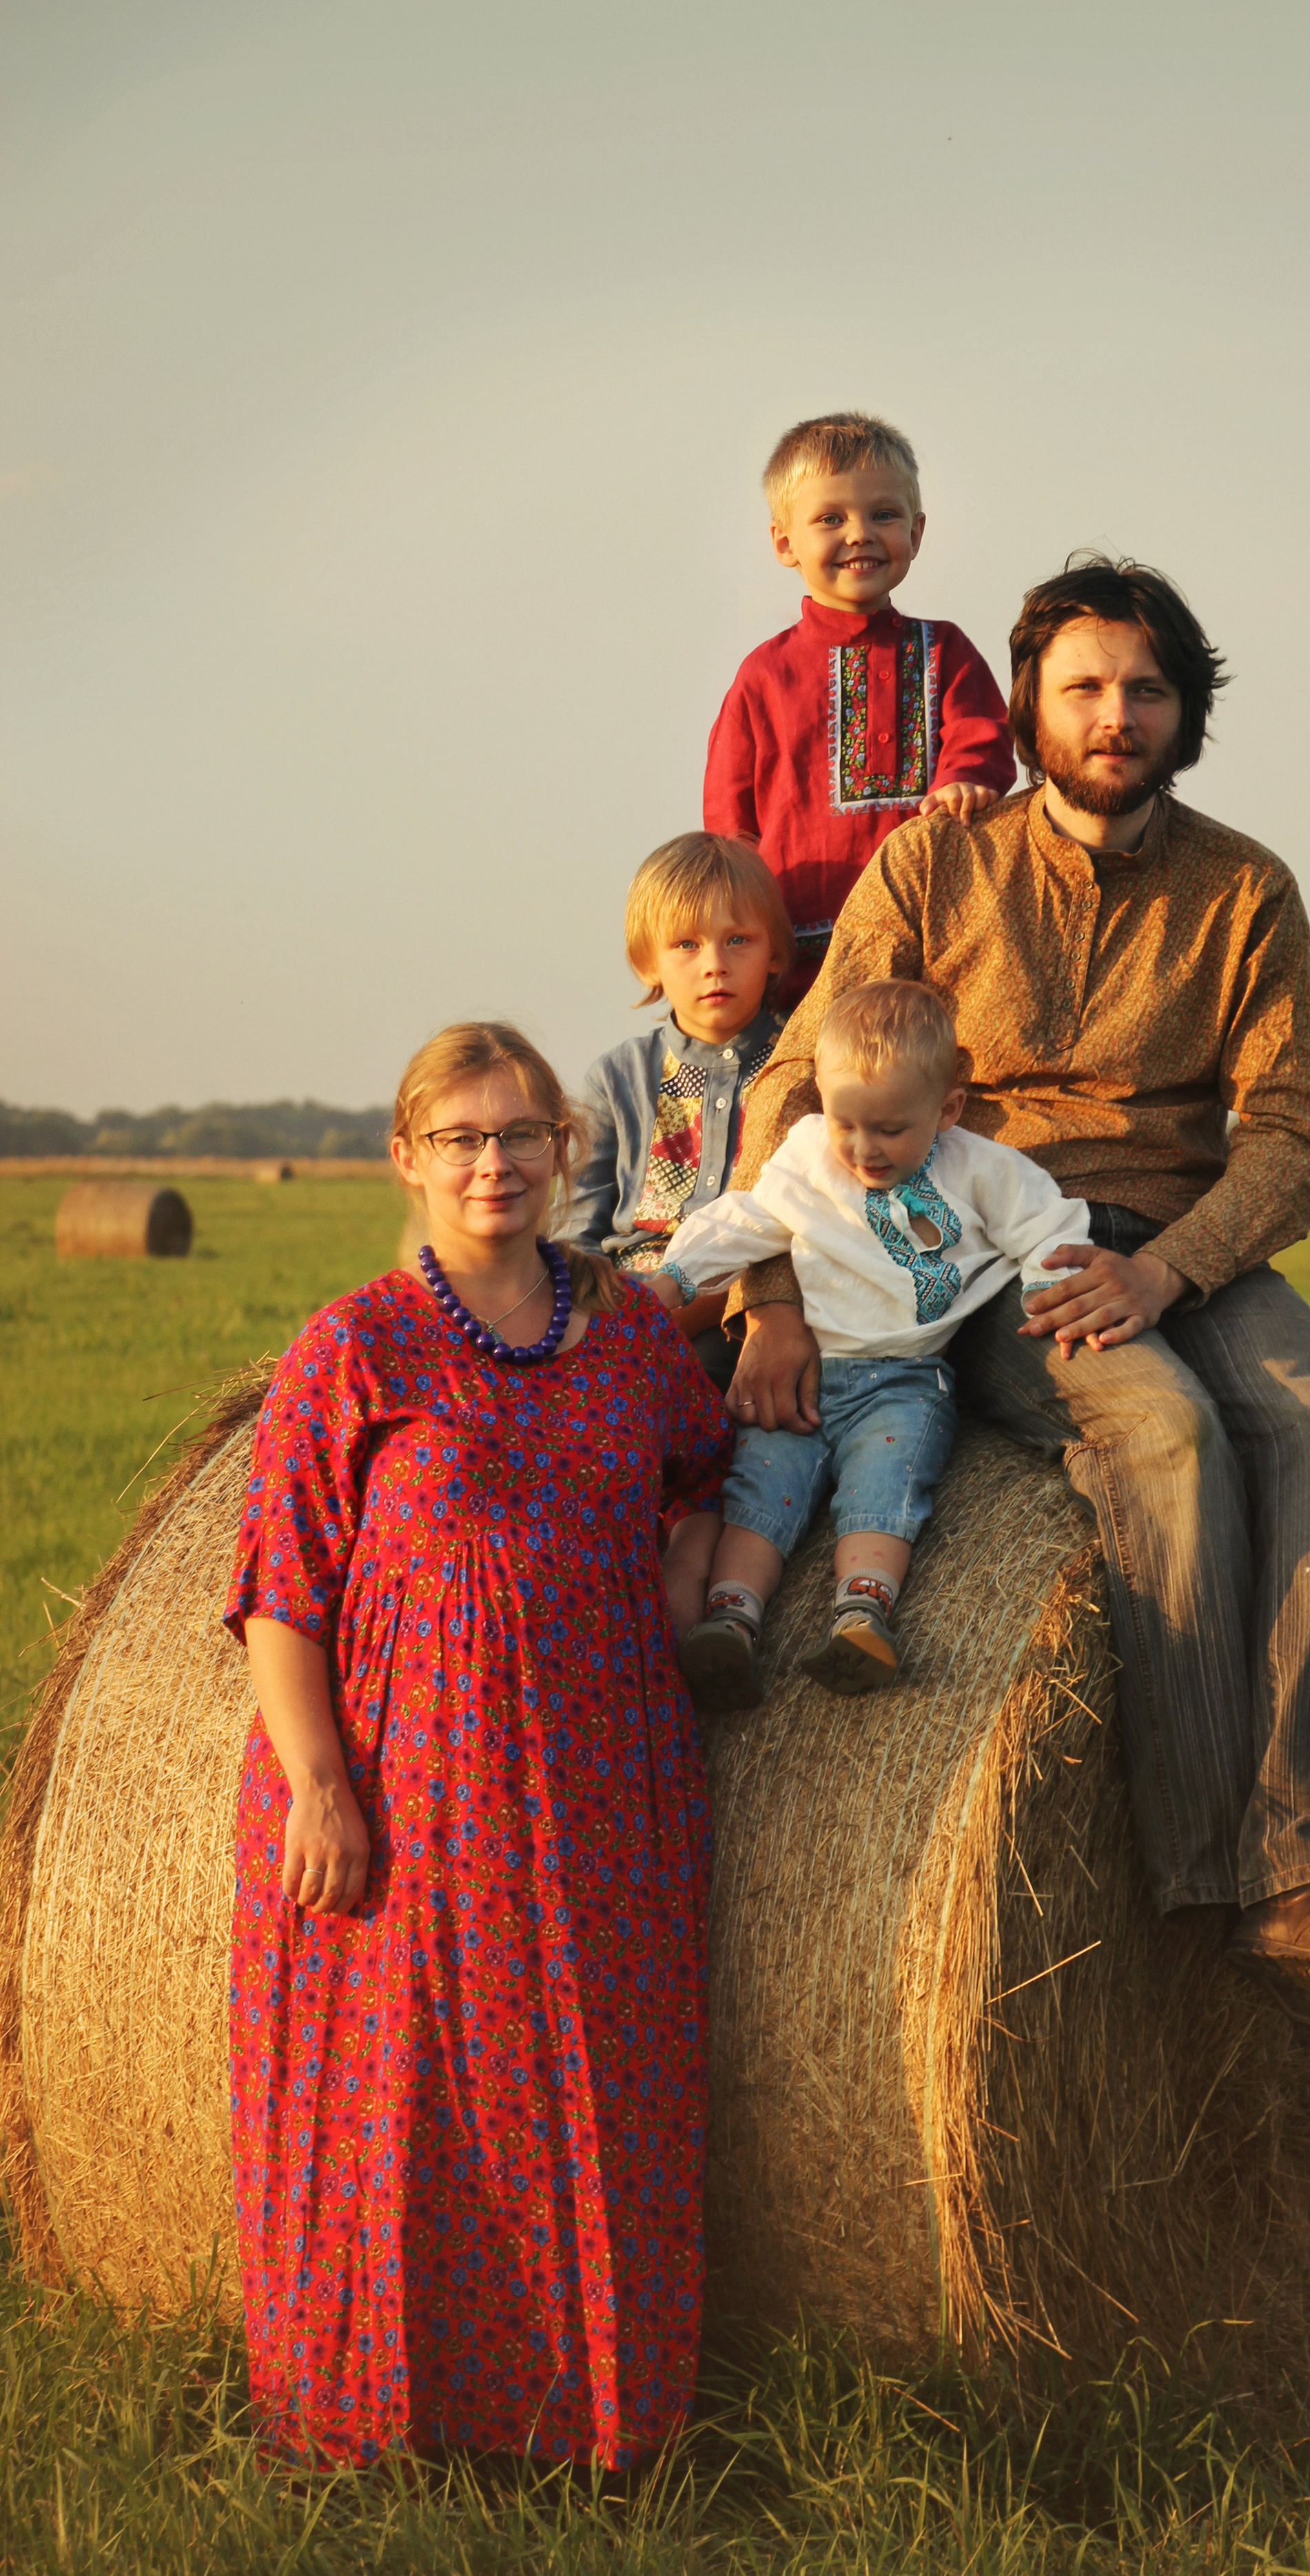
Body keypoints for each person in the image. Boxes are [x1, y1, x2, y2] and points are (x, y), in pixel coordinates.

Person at [715, 556, 1310, 2038]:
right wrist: (767, 1290)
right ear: (1032, 705)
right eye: (1082, 687)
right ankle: (1193, 1890)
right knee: (1164, 1438)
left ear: (1185, 713)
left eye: (1144, 689)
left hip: (1189, 1240)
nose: (1113, 714)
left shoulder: (1245, 889)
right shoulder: (935, 869)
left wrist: (1169, 1266)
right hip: (993, 1243)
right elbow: (801, 1072)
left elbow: (1293, 1130)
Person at [226, 1020, 731, 2471]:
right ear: (409, 1158)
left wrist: (682, 1586)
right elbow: (282, 1590)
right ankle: (379, 2429)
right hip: (405, 1789)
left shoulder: (632, 1329)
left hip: (602, 1779)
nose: (492, 1163)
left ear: (564, 1151)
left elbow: (698, 1470)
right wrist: (319, 1788)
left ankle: (585, 2434)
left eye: (518, 1134)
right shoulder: (354, 1344)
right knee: (413, 2103)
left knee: (595, 2094)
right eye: (459, 1137)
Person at [641, 977, 1090, 1708]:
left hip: (905, 1382)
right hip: (809, 1376)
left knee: (884, 1490)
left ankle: (862, 1614)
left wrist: (1047, 1289)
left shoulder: (981, 1170)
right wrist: (677, 1280)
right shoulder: (812, 1155)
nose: (864, 1148)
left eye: (890, 1129)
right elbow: (748, 1218)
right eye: (846, 1122)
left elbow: (1050, 1224)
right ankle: (731, 1622)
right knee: (761, 1486)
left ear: (946, 1109)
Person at [703, 412, 1016, 1006]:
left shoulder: (944, 650)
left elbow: (984, 741)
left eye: (884, 515)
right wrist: (737, 919)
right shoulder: (764, 677)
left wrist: (965, 784)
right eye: (830, 519)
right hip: (801, 962)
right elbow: (729, 821)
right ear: (784, 543)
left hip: (934, 949)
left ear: (917, 533)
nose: (859, 533)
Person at [566, 831, 793, 1388]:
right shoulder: (617, 1079)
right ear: (649, 962)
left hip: (740, 1301)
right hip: (625, 1302)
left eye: (738, 940)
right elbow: (578, 1229)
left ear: (775, 954)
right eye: (687, 945)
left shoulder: (798, 1066)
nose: (714, 964)